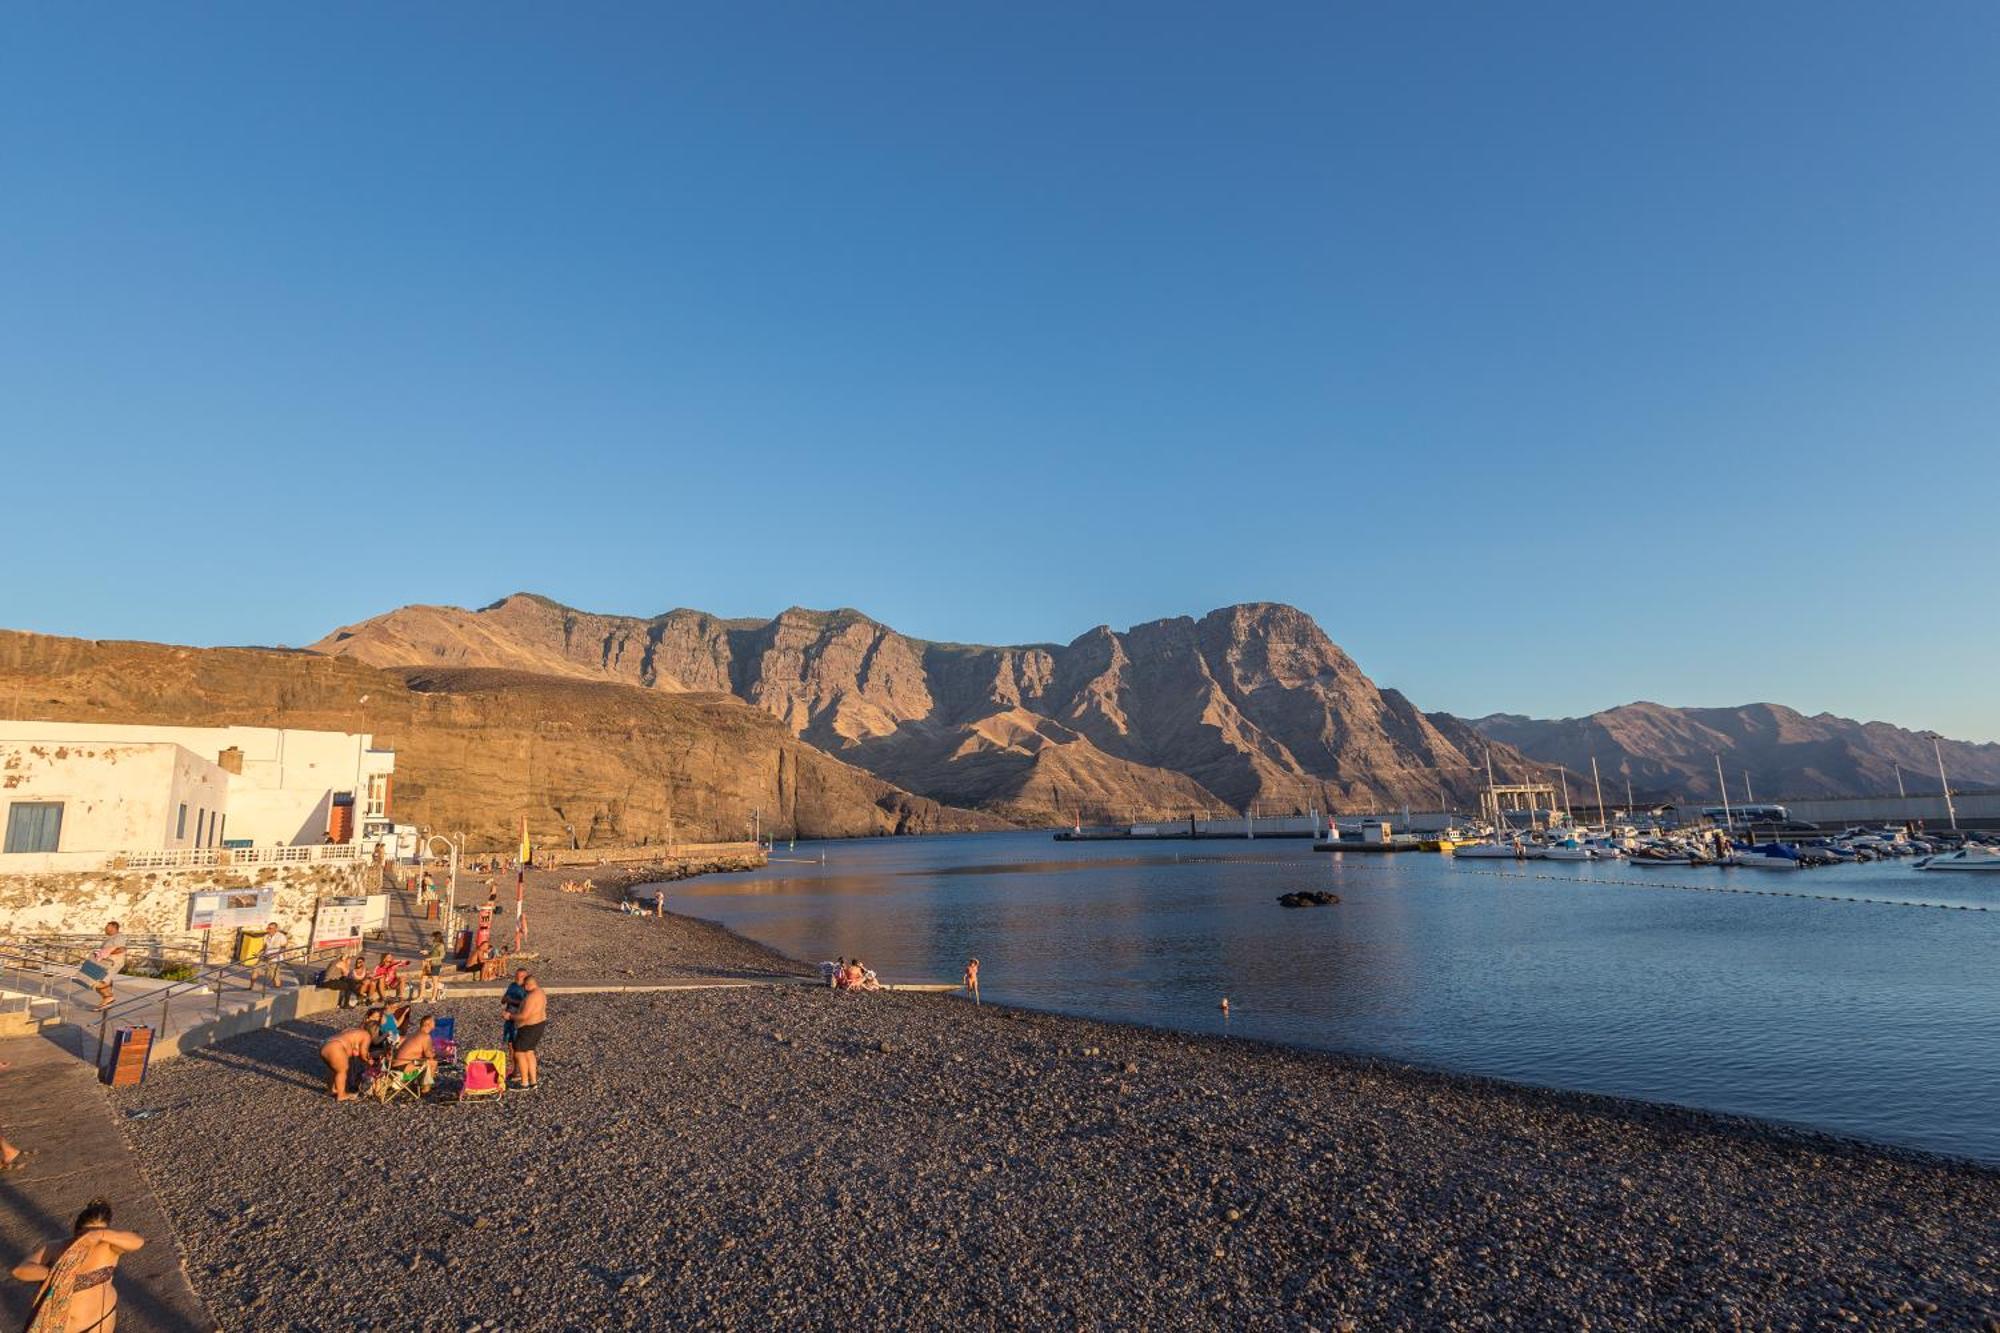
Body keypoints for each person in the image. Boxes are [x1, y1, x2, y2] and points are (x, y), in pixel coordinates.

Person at [12, 1196, 146, 1333]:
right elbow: (20, 1271)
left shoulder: (108, 1246)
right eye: (88, 1232)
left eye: (97, 1231)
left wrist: (101, 1235)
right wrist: (60, 1275)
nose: (90, 1236)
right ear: (77, 1230)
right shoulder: (56, 1247)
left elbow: (137, 1242)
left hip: (95, 1326)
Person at [318, 1014, 379, 1101]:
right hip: (336, 1047)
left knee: (332, 1069)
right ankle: (341, 1094)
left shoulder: (354, 1031)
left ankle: (331, 1090)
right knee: (342, 1071)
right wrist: (370, 1062)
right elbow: (363, 1054)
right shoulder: (366, 1035)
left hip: (325, 1044)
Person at [77, 922, 126, 1012]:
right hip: (105, 963)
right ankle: (107, 1000)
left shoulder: (119, 937)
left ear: (114, 927)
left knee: (97, 981)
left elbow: (121, 949)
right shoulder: (110, 938)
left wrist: (104, 953)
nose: (105, 929)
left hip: (112, 963)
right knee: (95, 979)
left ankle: (108, 998)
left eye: (107, 928)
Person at [510, 972, 546, 1089]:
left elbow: (524, 1016)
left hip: (529, 1027)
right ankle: (533, 1082)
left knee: (519, 1053)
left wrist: (510, 1016)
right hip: (538, 1025)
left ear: (528, 985)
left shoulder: (531, 997)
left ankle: (524, 1083)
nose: (523, 988)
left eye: (524, 986)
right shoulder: (540, 992)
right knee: (529, 1052)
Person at [391, 1015, 439, 1092]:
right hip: (403, 1067)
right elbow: (429, 1055)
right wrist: (440, 1054)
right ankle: (425, 1089)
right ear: (427, 1024)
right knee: (432, 1062)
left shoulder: (415, 1033)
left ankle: (414, 1085)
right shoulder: (425, 1036)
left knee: (423, 1061)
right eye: (433, 1021)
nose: (435, 1023)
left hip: (395, 1065)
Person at [256, 921, 290, 989]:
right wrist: (259, 953)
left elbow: (283, 948)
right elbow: (264, 947)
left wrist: (274, 955)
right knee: (255, 969)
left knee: (274, 976)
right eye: (268, 928)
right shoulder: (266, 936)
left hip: (275, 959)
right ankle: (250, 987)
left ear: (275, 929)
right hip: (265, 957)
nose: (268, 929)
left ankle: (278, 989)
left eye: (270, 928)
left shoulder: (281, 936)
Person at [415, 932, 446, 1002]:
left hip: (436, 965)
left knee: (435, 982)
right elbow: (433, 953)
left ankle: (433, 999)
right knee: (422, 980)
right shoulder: (434, 944)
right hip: (428, 964)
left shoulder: (441, 945)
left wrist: (430, 958)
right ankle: (420, 997)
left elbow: (442, 956)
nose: (431, 938)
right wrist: (426, 952)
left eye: (432, 937)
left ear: (436, 937)